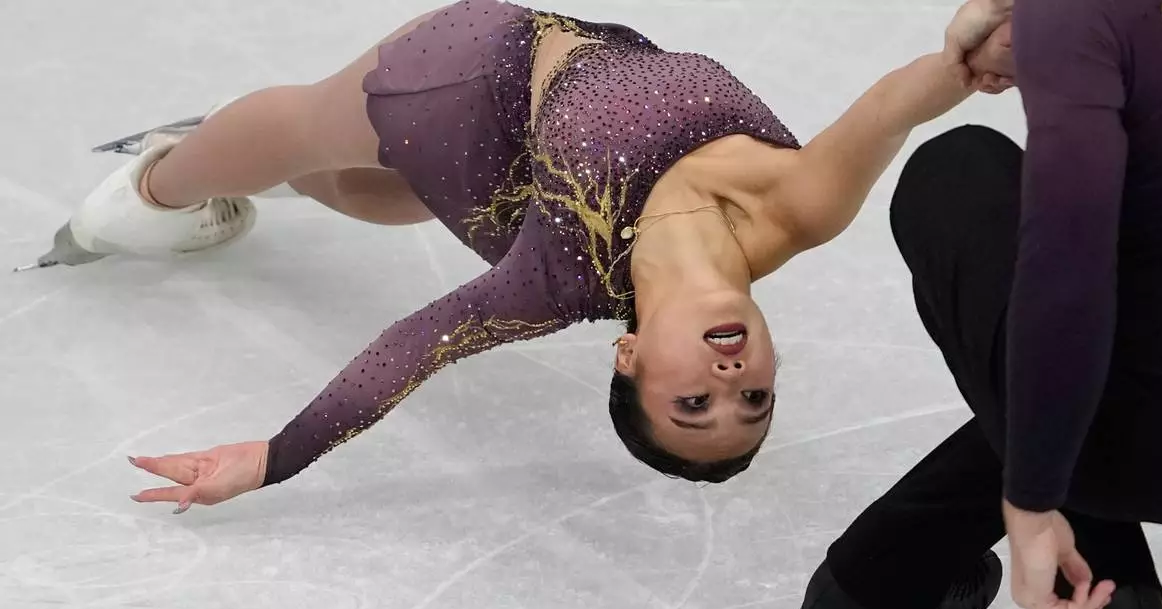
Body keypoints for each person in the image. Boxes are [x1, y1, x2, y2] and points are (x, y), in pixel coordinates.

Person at [33, 0, 1012, 502]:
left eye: (695, 402)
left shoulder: (556, 282)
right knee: (336, 164)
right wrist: (990, 48)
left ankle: (147, 192)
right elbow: (896, 107)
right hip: (519, 85)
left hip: (461, 104)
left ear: (628, 356)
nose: (730, 378)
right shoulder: (800, 210)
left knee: (332, 159)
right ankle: (194, 171)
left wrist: (273, 456)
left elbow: (412, 346)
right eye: (753, 396)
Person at [770, 0, 1162, 609]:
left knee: (960, 168)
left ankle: (1109, 599)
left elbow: (1067, 274)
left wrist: (1036, 504)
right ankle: (872, 575)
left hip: (1152, 437)